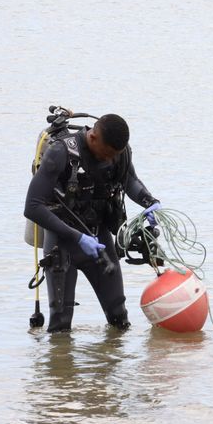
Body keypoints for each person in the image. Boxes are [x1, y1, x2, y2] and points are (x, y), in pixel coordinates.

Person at [24, 113, 160, 333]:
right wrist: (77, 237)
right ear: (93, 137)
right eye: (107, 154)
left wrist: (150, 202)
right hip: (61, 245)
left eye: (115, 155)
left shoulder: (119, 153)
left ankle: (111, 364)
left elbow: (129, 180)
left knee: (119, 320)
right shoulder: (60, 153)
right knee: (60, 326)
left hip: (99, 243)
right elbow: (32, 206)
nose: (110, 159)